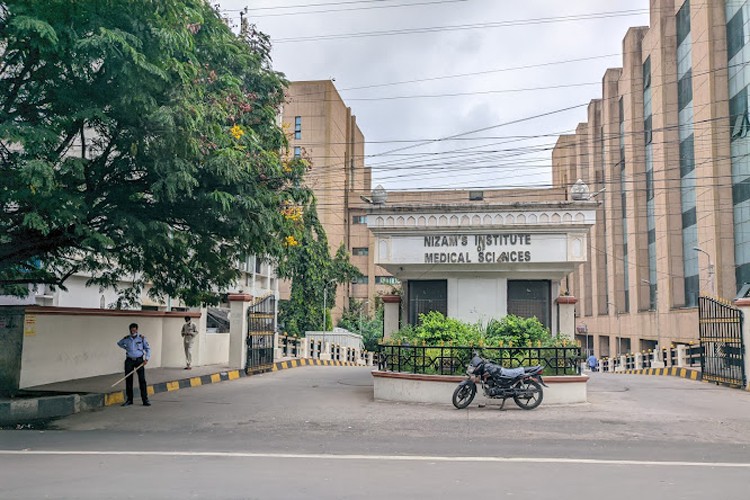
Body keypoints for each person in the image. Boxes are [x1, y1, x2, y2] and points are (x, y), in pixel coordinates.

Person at [117, 322, 151, 406]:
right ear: (130, 330)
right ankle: (129, 400)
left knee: (142, 380)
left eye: (134, 330)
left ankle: (145, 400)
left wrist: (146, 359)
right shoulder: (127, 339)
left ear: (137, 329)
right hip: (129, 360)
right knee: (128, 380)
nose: (133, 332)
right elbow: (119, 343)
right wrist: (126, 348)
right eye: (131, 330)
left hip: (139, 360)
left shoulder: (142, 338)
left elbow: (148, 349)